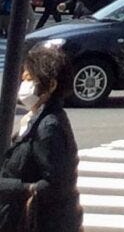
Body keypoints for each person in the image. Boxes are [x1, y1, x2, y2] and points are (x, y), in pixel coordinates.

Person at [0, 41, 82, 232]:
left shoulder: (48, 127)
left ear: (51, 85)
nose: (23, 82)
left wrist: (11, 187)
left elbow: (56, 184)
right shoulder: (37, 118)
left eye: (29, 78)